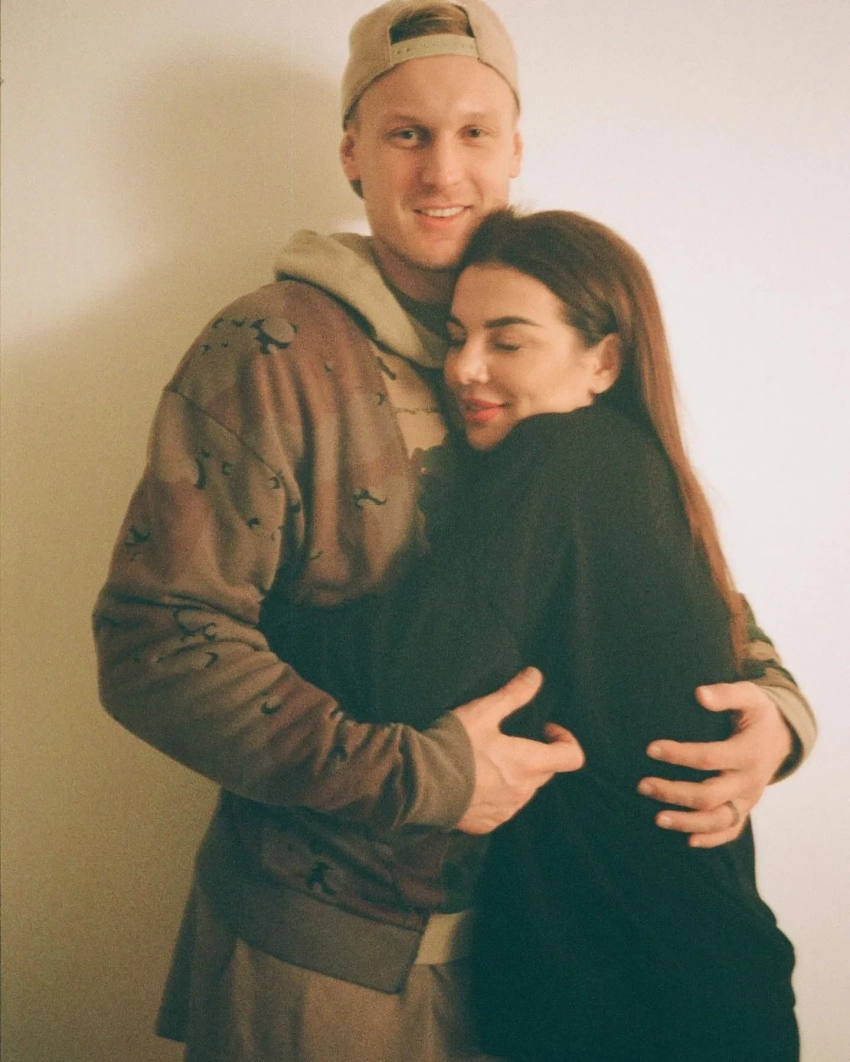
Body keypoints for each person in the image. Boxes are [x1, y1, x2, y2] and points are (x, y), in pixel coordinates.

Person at [92, 2, 815, 1059]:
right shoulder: (271, 350)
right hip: (331, 951)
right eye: (406, 133)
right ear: (352, 152)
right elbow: (156, 643)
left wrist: (778, 717)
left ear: (515, 149)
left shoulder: (554, 350)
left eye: (475, 131)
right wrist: (423, 776)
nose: (442, 170)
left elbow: (668, 585)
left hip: (544, 963)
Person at [298, 207, 798, 1060]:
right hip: (688, 981)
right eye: (456, 336)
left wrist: (261, 612)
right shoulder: (640, 472)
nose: (465, 368)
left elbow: (404, 677)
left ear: (603, 360)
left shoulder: (564, 459)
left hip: (645, 1002)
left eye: (508, 341)